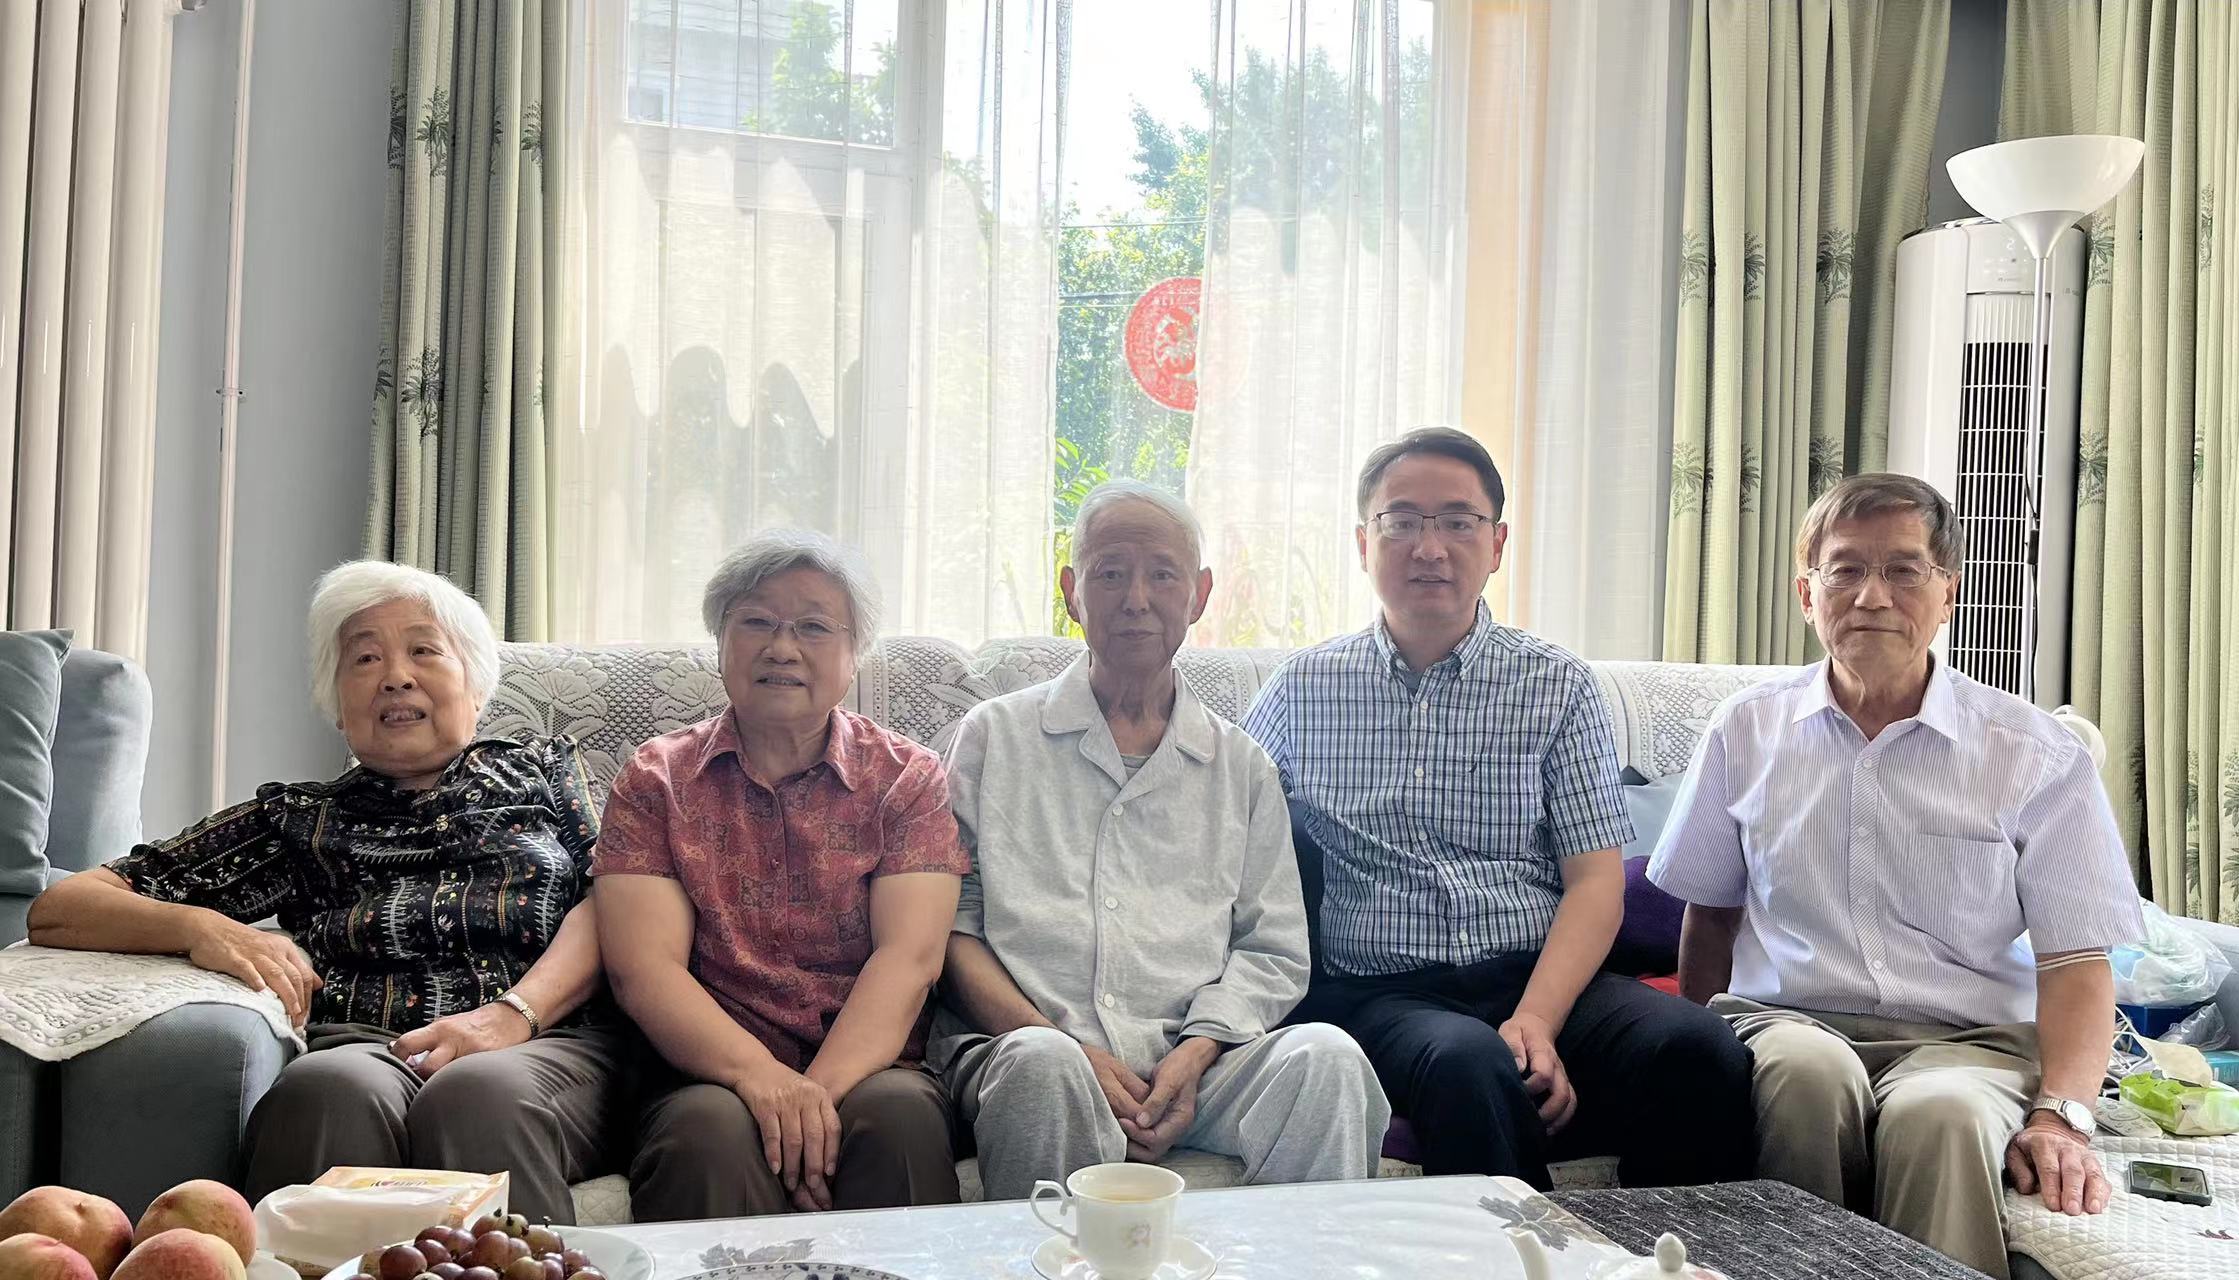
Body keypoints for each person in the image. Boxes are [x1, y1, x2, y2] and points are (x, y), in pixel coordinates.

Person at [1647, 474, 2142, 1279]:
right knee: (1806, 1078)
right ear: (1807, 594)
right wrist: (1693, 1051)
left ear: (1948, 593)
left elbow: (2077, 961)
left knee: (1940, 1116)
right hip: (1788, 1022)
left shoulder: (2034, 753)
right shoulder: (1746, 729)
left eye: (1904, 570)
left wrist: (2062, 1117)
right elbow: (1710, 917)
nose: (1872, 596)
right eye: (1845, 569)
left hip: (1969, 1043)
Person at [29, 562, 624, 1222]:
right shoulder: (298, 819)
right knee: (325, 1089)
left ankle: (524, 1262)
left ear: (477, 687)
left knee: (477, 1093)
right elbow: (63, 908)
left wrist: (512, 1015)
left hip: (544, 1042)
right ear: (338, 707)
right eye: (364, 658)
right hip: (371, 1046)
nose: (395, 675)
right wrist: (205, 929)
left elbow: (613, 901)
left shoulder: (541, 772)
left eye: (424, 650)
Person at [1241, 426, 1755, 1189]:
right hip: (1384, 992)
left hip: (1540, 973)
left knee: (1699, 1048)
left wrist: (1538, 1019)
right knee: (1468, 1062)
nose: (1430, 547)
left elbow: (1594, 882)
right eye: (1402, 521)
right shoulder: (1299, 690)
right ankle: (1524, 1250)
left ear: (1498, 544)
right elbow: (1224, 830)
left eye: (1458, 521)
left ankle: (1665, 1251)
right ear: (1363, 543)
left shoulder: (1557, 685)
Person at [934, 482, 1390, 1200]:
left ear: (1200, 594)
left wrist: (1198, 1052)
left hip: (1202, 1067)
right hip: (1028, 1045)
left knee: (1327, 1058)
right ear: (1072, 592)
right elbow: (953, 931)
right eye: (1110, 573)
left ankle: (1295, 1258)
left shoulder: (1240, 765)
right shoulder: (994, 737)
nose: (1136, 599)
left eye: (1163, 575)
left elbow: (1272, 948)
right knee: (1045, 1067)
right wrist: (1071, 1048)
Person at [592, 531, 966, 1221]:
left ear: (855, 654)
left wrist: (809, 1102)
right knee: (708, 1134)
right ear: (721, 642)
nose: (782, 648)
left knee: (899, 1118)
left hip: (871, 1066)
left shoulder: (906, 779)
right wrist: (761, 1079)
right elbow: (644, 971)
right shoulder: (656, 778)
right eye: (756, 622)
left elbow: (909, 959)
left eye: (814, 627)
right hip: (706, 1071)